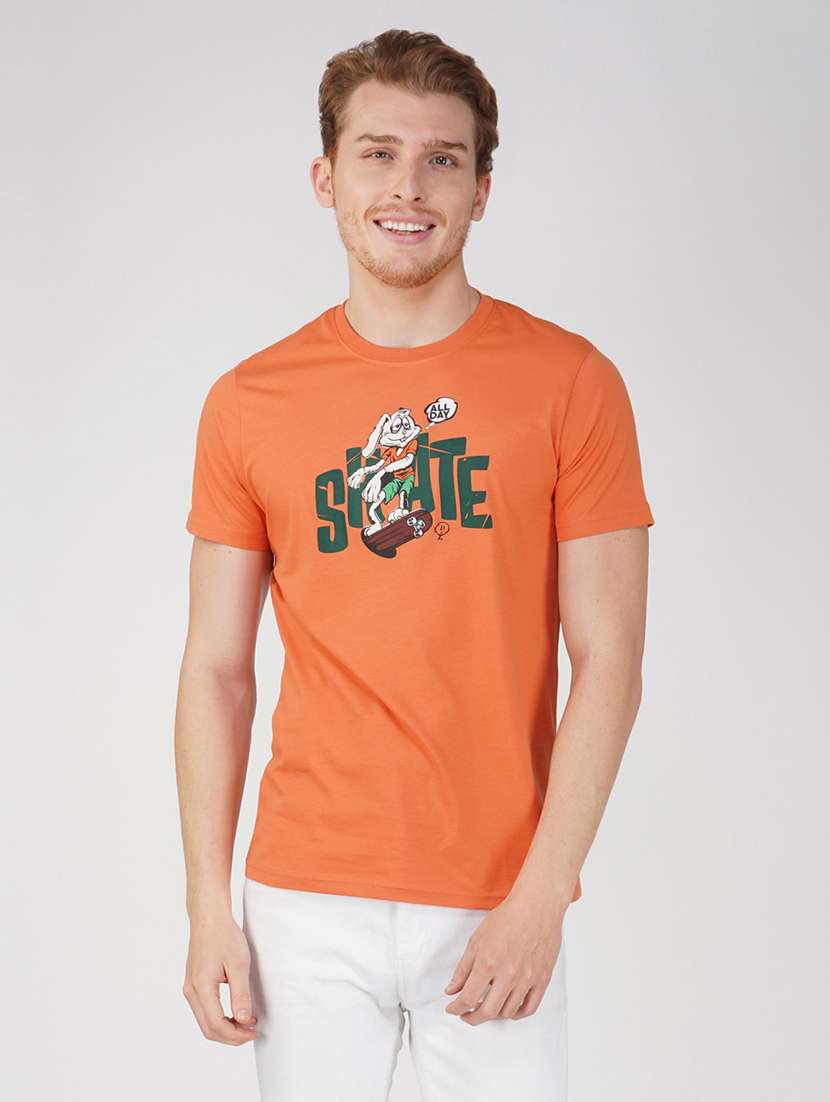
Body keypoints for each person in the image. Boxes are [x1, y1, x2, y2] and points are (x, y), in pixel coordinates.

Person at [176, 27, 654, 1102]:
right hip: (303, 897)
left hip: (497, 898)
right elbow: (215, 669)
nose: (408, 185)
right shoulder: (248, 402)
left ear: (481, 190)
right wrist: (208, 904)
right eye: (377, 153)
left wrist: (543, 896)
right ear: (325, 178)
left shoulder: (571, 384)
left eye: (443, 157)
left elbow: (610, 662)